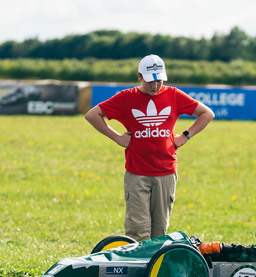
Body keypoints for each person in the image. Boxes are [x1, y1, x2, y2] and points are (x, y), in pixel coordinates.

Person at [85, 54, 215, 242]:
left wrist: (185, 136)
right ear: (139, 77)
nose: (155, 85)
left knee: (159, 232)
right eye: (150, 81)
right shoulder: (126, 97)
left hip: (166, 173)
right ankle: (137, 268)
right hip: (137, 173)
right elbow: (93, 115)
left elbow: (206, 113)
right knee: (138, 230)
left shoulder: (174, 95)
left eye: (159, 80)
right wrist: (117, 138)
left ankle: (153, 270)